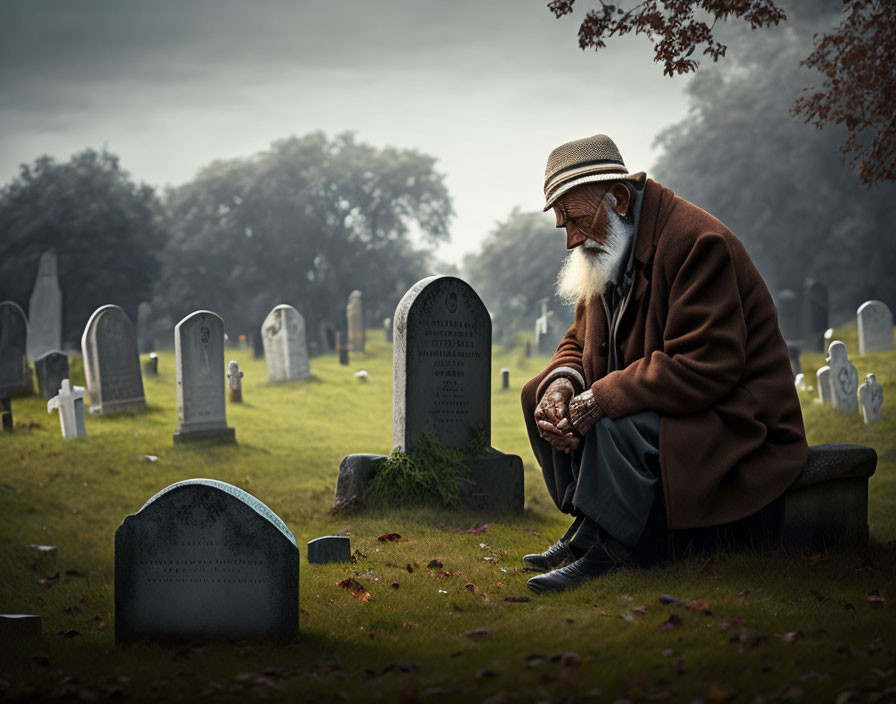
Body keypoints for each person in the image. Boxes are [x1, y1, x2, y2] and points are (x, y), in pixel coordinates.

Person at [521, 134, 808, 594]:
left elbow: (707, 365)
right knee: (540, 394)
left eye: (576, 220)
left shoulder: (697, 242)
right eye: (563, 225)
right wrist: (563, 383)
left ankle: (617, 549)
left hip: (736, 418)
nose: (571, 239)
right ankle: (592, 525)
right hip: (673, 403)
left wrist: (603, 396)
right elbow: (578, 340)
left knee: (613, 419)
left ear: (616, 199)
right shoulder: (611, 243)